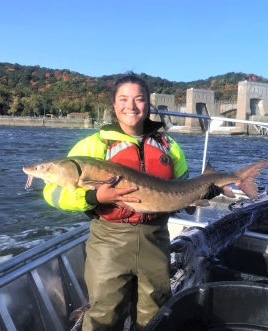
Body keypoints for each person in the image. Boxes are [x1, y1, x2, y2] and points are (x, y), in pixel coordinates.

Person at [43, 73, 220, 331]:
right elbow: (53, 195)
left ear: (148, 104)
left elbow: (185, 191)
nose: (131, 106)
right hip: (109, 241)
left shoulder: (169, 146)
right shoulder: (92, 147)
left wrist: (205, 192)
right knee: (104, 311)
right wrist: (94, 197)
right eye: (123, 99)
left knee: (154, 310)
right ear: (114, 105)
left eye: (139, 99)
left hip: (155, 238)